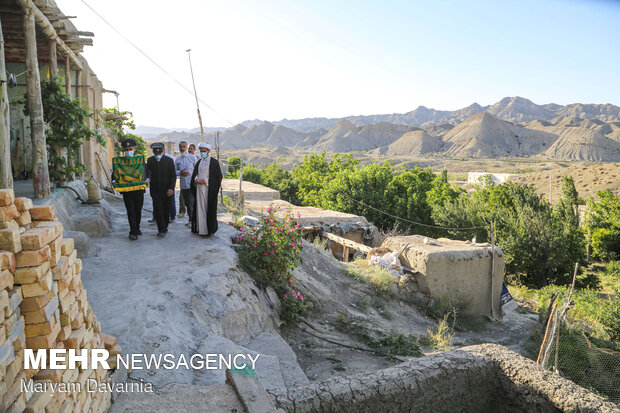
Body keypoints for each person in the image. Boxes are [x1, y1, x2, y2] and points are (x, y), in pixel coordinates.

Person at [111, 138, 147, 240]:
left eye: (130, 149)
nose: (128, 151)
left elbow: (145, 171)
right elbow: (115, 173)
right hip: (127, 191)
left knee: (138, 210)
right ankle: (133, 231)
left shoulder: (139, 160)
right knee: (130, 210)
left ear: (134, 149)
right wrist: (114, 181)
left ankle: (137, 227)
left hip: (139, 189)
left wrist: (147, 180)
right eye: (126, 150)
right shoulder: (119, 161)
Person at [190, 143, 223, 237]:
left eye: (204, 151)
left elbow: (218, 177)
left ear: (208, 151)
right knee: (199, 209)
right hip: (199, 190)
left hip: (208, 190)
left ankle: (207, 230)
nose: (202, 153)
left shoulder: (214, 162)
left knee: (207, 210)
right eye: (201, 151)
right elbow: (195, 173)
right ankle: (199, 229)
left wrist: (206, 181)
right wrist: (196, 179)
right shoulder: (199, 162)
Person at [146, 142, 176, 237]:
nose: (157, 155)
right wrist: (147, 179)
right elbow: (147, 173)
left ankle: (165, 226)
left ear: (163, 151)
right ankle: (161, 229)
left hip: (167, 190)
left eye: (159, 153)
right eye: (156, 154)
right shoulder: (150, 160)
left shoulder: (169, 161)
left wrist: (171, 188)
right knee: (158, 209)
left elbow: (173, 176)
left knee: (166, 210)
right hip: (155, 190)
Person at [174, 141, 196, 225]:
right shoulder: (177, 159)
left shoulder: (192, 157)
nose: (182, 148)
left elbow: (197, 170)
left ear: (186, 147)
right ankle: (191, 220)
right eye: (180, 147)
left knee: (191, 203)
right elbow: (174, 171)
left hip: (192, 185)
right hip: (183, 186)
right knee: (187, 203)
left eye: (184, 146)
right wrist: (180, 173)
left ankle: (192, 220)